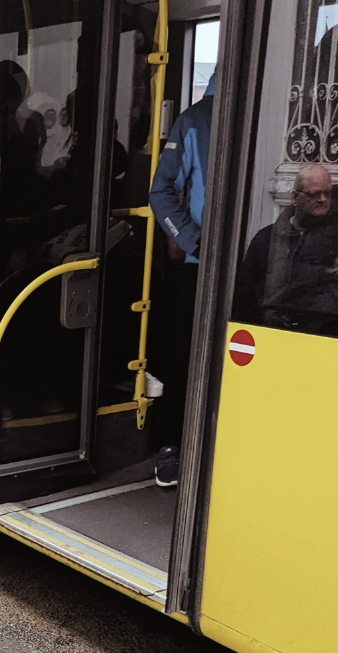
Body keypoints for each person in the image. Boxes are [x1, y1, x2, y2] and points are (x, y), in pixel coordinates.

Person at [148, 73, 216, 488]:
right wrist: (196, 241)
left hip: (252, 262)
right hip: (201, 265)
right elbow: (161, 191)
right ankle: (169, 446)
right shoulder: (194, 121)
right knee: (185, 355)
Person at [235, 164, 338, 333]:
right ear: (295, 197)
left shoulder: (333, 240)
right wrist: (263, 314)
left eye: (327, 193)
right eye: (314, 194)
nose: (323, 199)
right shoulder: (267, 239)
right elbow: (247, 291)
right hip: (271, 332)